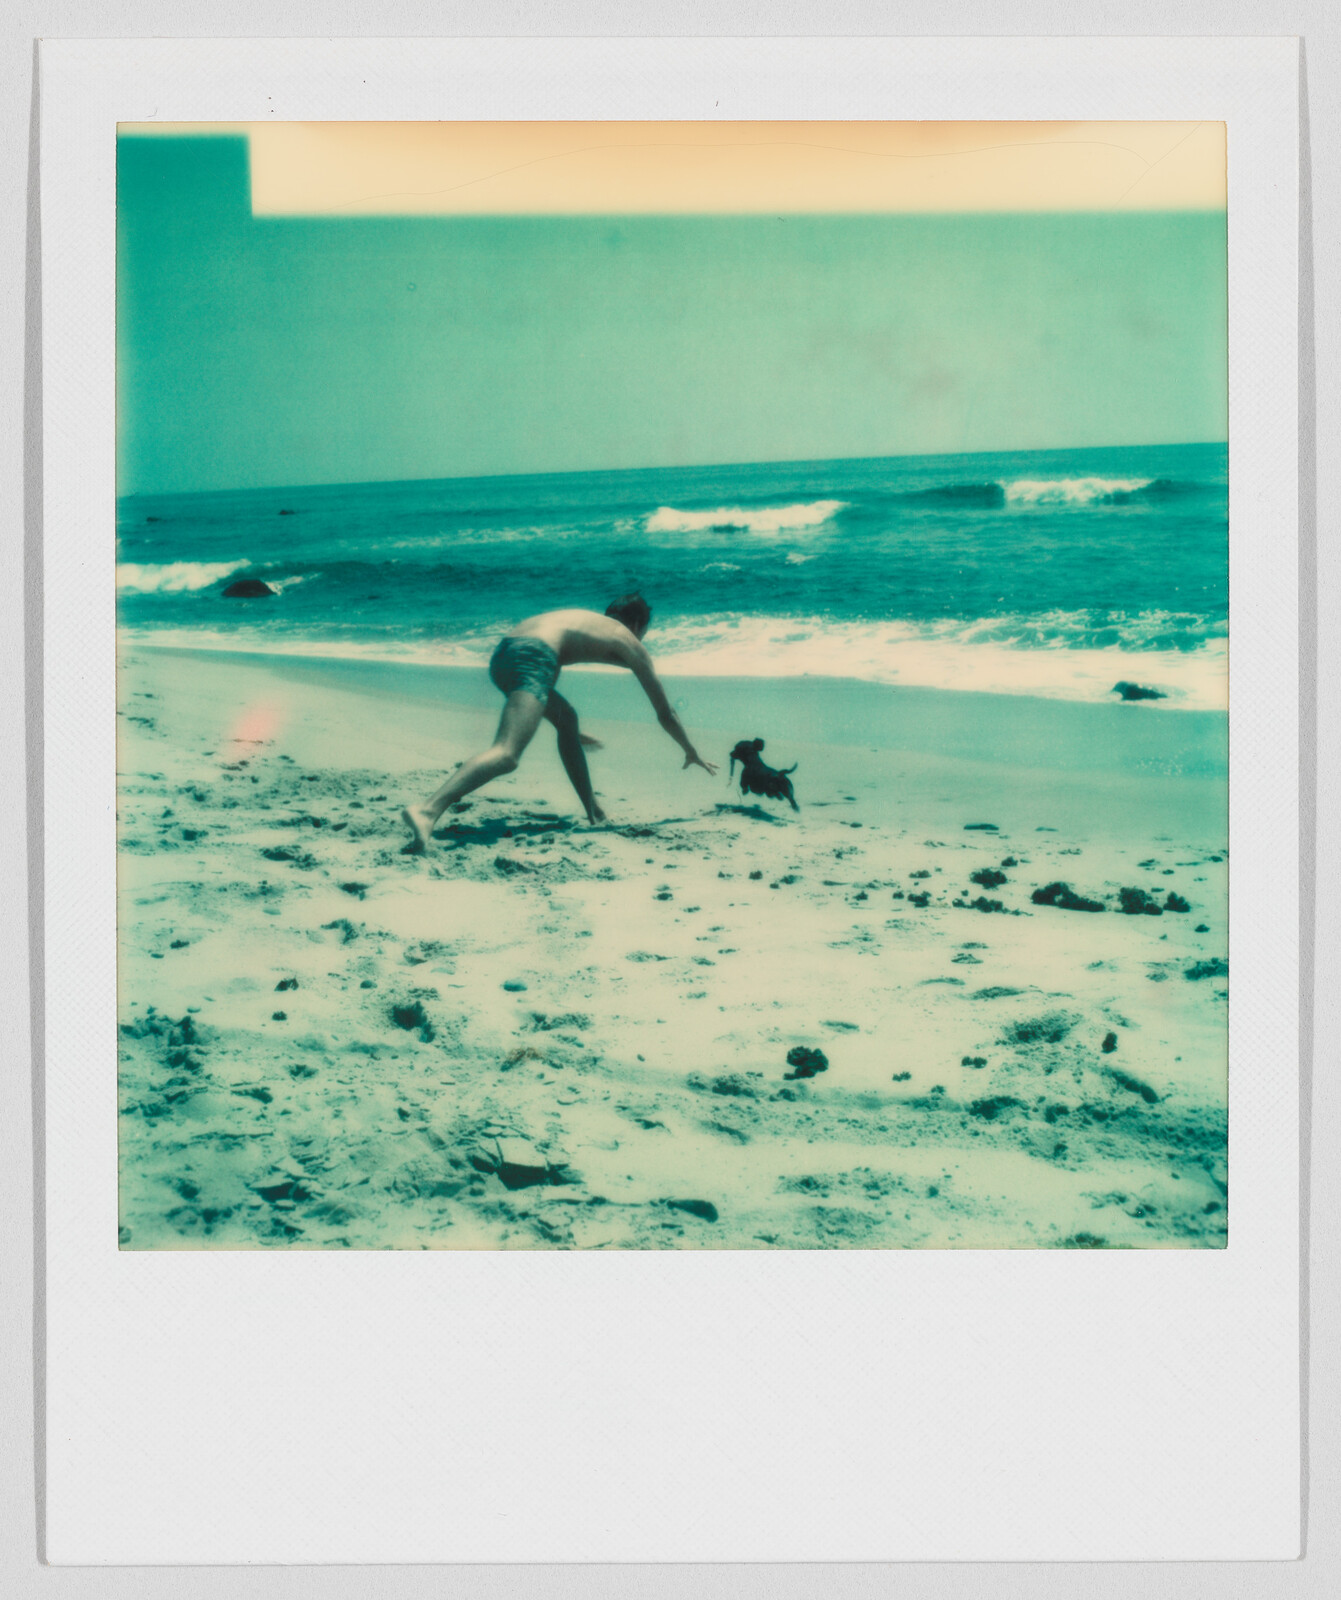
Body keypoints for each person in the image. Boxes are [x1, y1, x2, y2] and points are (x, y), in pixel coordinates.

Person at [401, 595, 718, 852]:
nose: (640, 639)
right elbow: (665, 713)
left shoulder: (586, 623)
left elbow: (542, 666)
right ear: (637, 624)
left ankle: (593, 811)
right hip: (533, 657)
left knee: (567, 719)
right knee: (507, 753)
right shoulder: (628, 639)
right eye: (642, 632)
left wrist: (570, 731)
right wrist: (690, 750)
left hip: (504, 655)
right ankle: (427, 811)